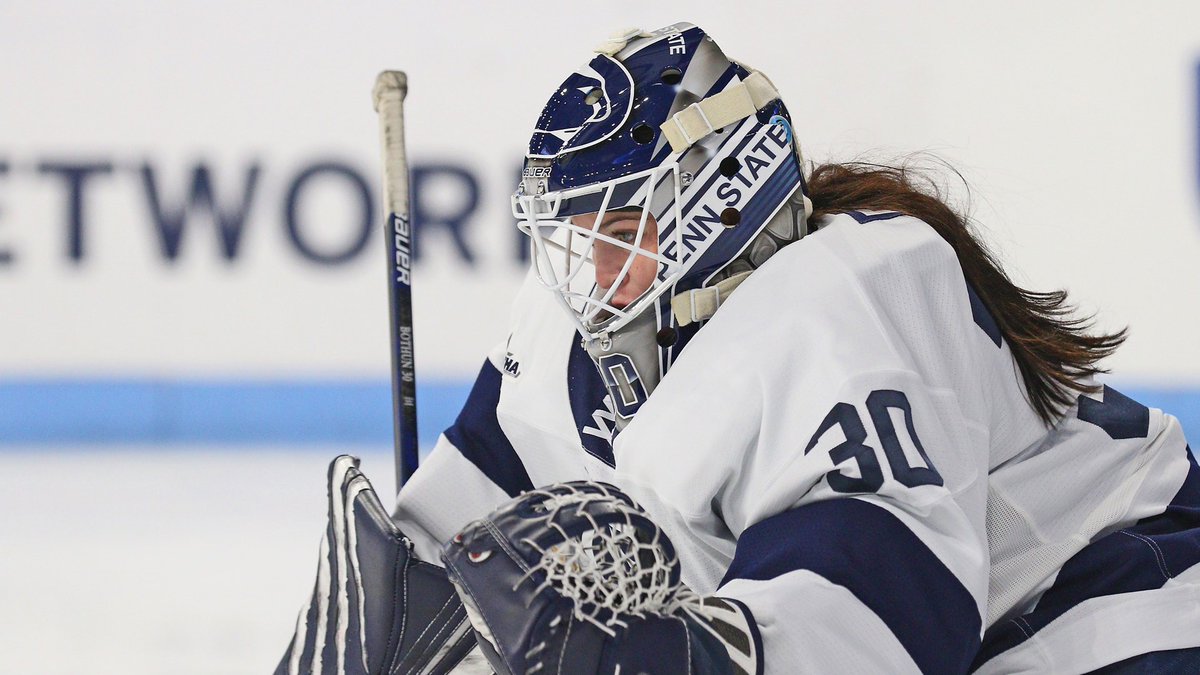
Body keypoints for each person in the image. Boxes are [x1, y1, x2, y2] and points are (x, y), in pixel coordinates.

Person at [279, 22, 1200, 674]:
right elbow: (469, 531)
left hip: (1117, 593)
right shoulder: (592, 313)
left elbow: (877, 624)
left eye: (620, 225)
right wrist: (407, 585)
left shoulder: (840, 308)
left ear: (717, 200)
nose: (588, 266)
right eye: (572, 231)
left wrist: (667, 657)